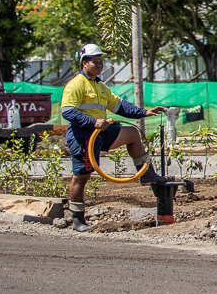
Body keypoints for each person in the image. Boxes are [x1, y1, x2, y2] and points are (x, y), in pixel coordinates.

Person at [62, 44, 168, 232]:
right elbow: (67, 112)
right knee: (82, 177)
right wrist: (93, 122)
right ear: (84, 63)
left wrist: (144, 112)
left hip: (101, 132)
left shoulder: (100, 86)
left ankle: (146, 175)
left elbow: (119, 106)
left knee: (132, 134)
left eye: (101, 61)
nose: (100, 64)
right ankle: (77, 220)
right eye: (95, 61)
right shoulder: (76, 84)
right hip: (83, 137)